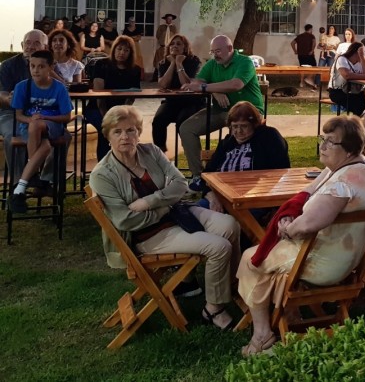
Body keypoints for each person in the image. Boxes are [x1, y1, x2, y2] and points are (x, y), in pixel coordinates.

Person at [236, 116, 365, 356]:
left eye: (330, 142)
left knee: (251, 260)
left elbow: (311, 222)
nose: (322, 146)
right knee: (263, 257)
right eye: (323, 139)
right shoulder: (355, 167)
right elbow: (308, 191)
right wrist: (289, 214)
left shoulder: (344, 183)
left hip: (324, 263)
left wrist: (287, 229)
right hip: (339, 255)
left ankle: (263, 334)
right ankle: (291, 314)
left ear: (349, 149)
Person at [89, 105, 240, 332]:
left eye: (131, 130)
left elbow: (180, 184)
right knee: (218, 247)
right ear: (107, 136)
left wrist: (150, 201)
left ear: (139, 132)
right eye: (117, 132)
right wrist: (164, 206)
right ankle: (214, 309)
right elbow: (126, 220)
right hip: (149, 234)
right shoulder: (103, 174)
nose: (125, 137)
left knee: (230, 224)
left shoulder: (151, 152)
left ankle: (230, 288)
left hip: (176, 213)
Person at [179, 35, 265, 190]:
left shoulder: (244, 62)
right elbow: (197, 82)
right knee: (186, 128)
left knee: (236, 133)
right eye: (212, 52)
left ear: (230, 49)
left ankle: (235, 175)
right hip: (222, 110)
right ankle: (199, 176)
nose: (215, 55)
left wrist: (207, 87)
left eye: (218, 51)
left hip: (248, 110)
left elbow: (236, 84)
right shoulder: (212, 64)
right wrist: (216, 91)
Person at [8, 49, 74, 213]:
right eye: (32, 66)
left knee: (37, 124)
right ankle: (20, 189)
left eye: (41, 66)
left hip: (53, 126)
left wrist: (47, 119)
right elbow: (19, 115)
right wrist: (31, 119)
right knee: (43, 144)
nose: (36, 70)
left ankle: (29, 177)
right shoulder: (22, 87)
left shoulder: (58, 88)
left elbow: (66, 116)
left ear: (50, 67)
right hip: (30, 128)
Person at [198, 102, 289, 214]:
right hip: (222, 198)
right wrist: (212, 197)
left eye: (244, 126)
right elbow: (206, 175)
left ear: (254, 125)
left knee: (228, 221)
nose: (239, 131)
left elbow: (282, 170)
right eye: (235, 126)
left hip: (254, 199)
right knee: (196, 211)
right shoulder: (227, 143)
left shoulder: (268, 137)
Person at [85, 35, 143, 161]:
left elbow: (132, 96)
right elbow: (99, 93)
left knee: (129, 128)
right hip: (98, 108)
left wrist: (123, 113)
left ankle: (126, 163)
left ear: (130, 53)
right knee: (106, 129)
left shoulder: (135, 70)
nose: (122, 53)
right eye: (119, 49)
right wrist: (107, 116)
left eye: (126, 50)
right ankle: (105, 165)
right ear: (114, 49)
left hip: (121, 110)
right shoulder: (101, 64)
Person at [1, 30, 48, 167]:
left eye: (36, 43)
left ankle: (46, 181)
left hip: (41, 114)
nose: (31, 47)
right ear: (22, 45)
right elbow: (1, 93)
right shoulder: (8, 65)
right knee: (13, 134)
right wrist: (9, 99)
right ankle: (19, 183)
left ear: (44, 48)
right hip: (10, 113)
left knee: (63, 136)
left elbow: (61, 88)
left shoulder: (50, 66)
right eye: (28, 43)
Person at [151, 34, 204, 154]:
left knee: (182, 122)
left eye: (179, 44)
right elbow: (163, 85)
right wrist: (172, 64)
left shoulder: (193, 61)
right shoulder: (164, 62)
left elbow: (187, 85)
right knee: (158, 121)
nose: (174, 46)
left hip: (191, 101)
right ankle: (160, 153)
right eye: (172, 44)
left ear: (185, 48)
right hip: (172, 101)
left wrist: (179, 64)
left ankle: (190, 151)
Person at [327, 41, 365, 117]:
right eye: (362, 52)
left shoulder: (360, 62)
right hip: (338, 92)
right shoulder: (342, 59)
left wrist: (362, 58)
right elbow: (347, 75)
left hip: (354, 91)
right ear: (356, 52)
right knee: (359, 104)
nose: (364, 54)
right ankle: (357, 125)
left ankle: (364, 123)